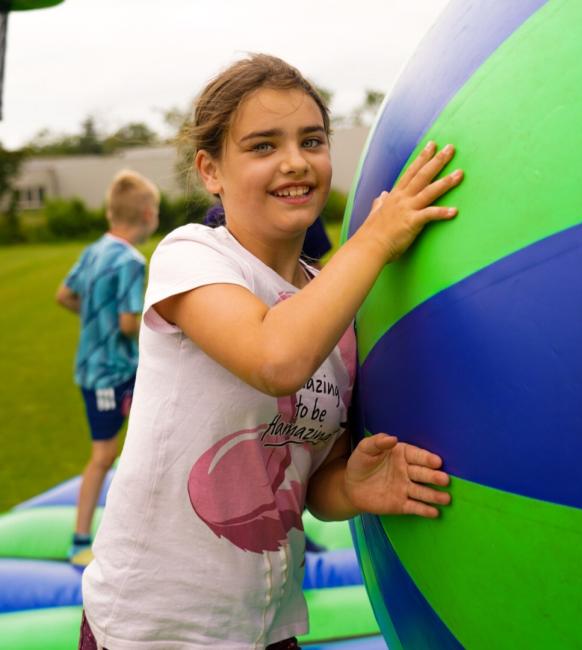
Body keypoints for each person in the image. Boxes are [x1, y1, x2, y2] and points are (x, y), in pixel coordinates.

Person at [80, 54, 463, 650]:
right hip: (155, 626)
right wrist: (377, 237)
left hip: (267, 625)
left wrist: (352, 488)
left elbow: (308, 482)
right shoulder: (193, 258)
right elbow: (274, 359)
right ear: (211, 170)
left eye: (311, 140)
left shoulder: (334, 313)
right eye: (262, 146)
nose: (294, 162)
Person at [55, 170, 159, 567]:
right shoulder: (131, 261)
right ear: (148, 214)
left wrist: (92, 317)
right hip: (109, 373)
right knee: (104, 454)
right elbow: (129, 324)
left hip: (102, 367)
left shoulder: (95, 249)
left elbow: (64, 295)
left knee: (147, 438)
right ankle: (80, 538)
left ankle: (142, 524)